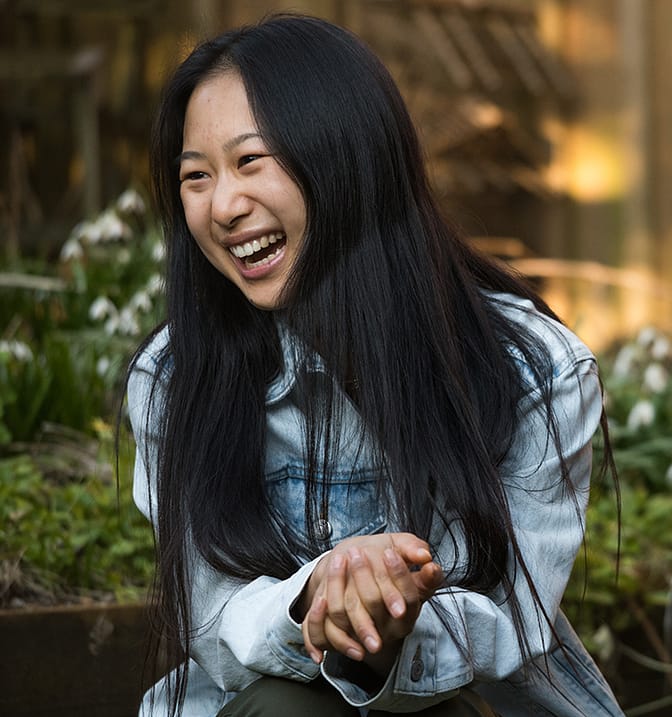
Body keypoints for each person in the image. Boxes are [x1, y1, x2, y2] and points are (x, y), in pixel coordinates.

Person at [125, 12, 623, 717]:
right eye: (196, 176)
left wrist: (388, 627)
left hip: (466, 705)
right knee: (289, 706)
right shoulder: (176, 378)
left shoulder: (533, 370)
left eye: (250, 161)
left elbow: (511, 619)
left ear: (347, 158)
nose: (224, 206)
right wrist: (317, 602)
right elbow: (213, 620)